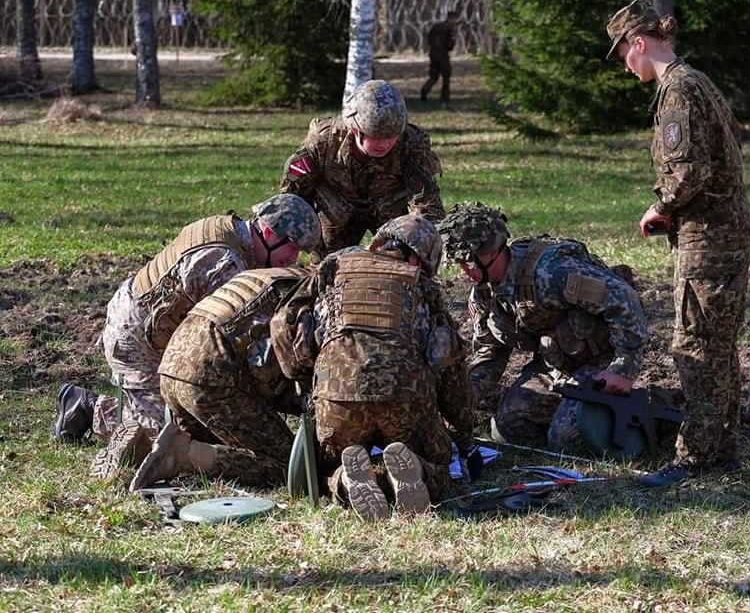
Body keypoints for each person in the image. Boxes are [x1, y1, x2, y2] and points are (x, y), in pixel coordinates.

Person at [53, 194, 322, 481]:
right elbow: (223, 336)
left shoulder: (234, 236)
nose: (293, 259)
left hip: (159, 331)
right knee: (161, 437)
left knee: (200, 425)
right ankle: (89, 407)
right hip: (137, 339)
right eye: (292, 249)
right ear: (268, 232)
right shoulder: (222, 262)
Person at [605, 0, 750, 487]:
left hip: (708, 236)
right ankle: (722, 449)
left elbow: (690, 170)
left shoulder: (678, 90)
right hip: (726, 230)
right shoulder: (698, 82)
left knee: (695, 345)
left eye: (623, 53)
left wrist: (662, 207)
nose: (626, 65)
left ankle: (696, 457)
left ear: (640, 44)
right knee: (719, 345)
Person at [270, 214, 479, 521]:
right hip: (405, 401)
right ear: (421, 259)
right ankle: (417, 470)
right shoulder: (421, 285)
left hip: (338, 399)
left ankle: (343, 478)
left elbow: (284, 323)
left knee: (325, 464)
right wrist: (463, 437)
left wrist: (306, 379)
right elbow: (447, 362)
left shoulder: (332, 270)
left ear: (379, 242)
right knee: (439, 462)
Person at [435, 202, 649, 454]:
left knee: (566, 441)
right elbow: (489, 354)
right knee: (507, 428)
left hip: (601, 362)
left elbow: (622, 298)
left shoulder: (550, 272)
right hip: (556, 367)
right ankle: (570, 412)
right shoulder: (484, 295)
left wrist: (623, 367)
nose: (463, 271)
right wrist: (459, 404)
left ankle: (651, 409)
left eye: (468, 261)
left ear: (491, 251)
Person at [129, 266, 311, 492]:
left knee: (218, 444)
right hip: (210, 378)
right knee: (292, 464)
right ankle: (185, 455)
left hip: (171, 365)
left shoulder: (278, 275)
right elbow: (282, 365)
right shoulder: (307, 296)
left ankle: (141, 452)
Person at [278, 79, 445, 262]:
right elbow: (292, 199)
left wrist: (415, 247)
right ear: (356, 130)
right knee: (326, 272)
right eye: (377, 137)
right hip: (336, 214)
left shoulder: (412, 143)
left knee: (402, 268)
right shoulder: (323, 141)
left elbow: (427, 206)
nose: (385, 143)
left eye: (392, 137)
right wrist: (300, 241)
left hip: (391, 213)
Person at [420, 11, 458, 104]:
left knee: (434, 76)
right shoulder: (449, 30)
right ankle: (445, 97)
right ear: (451, 19)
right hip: (443, 55)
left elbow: (429, 39)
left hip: (433, 54)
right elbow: (449, 45)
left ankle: (424, 91)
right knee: (446, 76)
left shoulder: (436, 27)